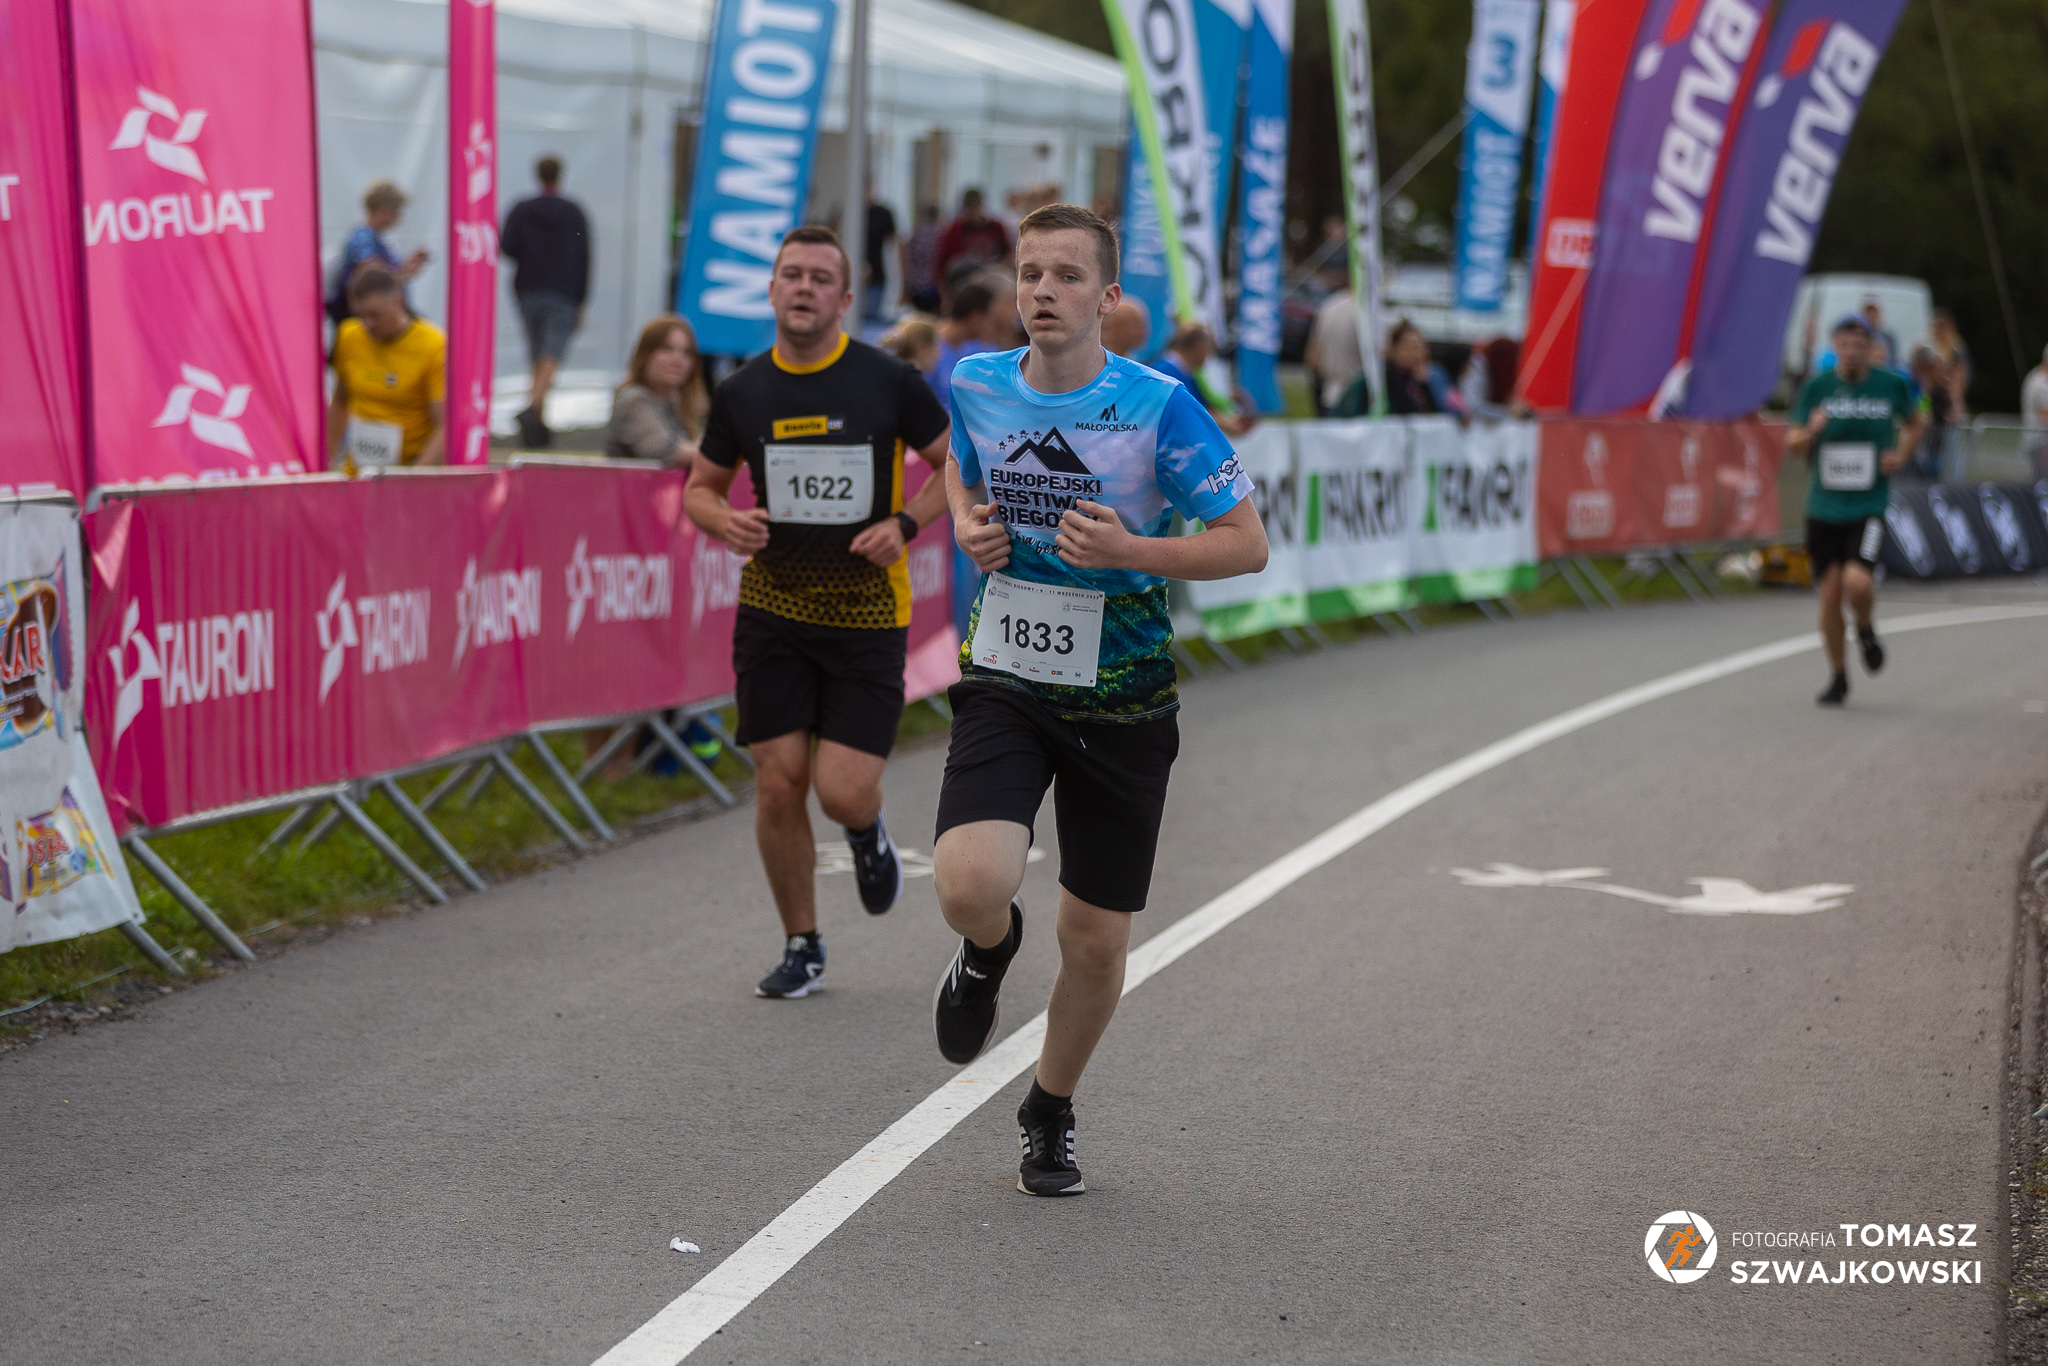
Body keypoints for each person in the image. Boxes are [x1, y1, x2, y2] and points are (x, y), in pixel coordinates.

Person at [931, 203, 1268, 1196]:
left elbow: (1245, 543)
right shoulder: (978, 383)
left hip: (1122, 697)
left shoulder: (1158, 407)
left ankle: (1048, 1107)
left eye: (1067, 275)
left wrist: (1133, 550)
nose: (1043, 290)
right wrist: (967, 524)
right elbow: (957, 466)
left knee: (1094, 939)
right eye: (1030, 273)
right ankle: (986, 952)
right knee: (968, 884)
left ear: (1108, 296)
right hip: (1007, 672)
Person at [684, 225, 952, 999]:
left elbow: (956, 467)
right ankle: (802, 944)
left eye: (820, 278)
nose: (803, 287)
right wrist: (724, 521)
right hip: (773, 610)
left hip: (866, 615)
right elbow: (700, 490)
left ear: (844, 297)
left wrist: (903, 524)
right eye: (791, 274)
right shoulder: (742, 391)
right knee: (779, 783)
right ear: (772, 290)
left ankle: (865, 830)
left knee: (840, 790)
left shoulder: (888, 381)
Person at [1786, 315, 1922, 707]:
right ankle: (1838, 676)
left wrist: (1902, 454)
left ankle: (1864, 627)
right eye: (1844, 345)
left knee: (1857, 582)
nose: (1851, 352)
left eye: (1859, 345)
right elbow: (1792, 443)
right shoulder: (1817, 388)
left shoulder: (1890, 384)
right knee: (1830, 594)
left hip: (1868, 504)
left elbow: (1916, 422)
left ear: (1870, 348)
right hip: (1823, 507)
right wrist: (1810, 431)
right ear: (1835, 347)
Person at [501, 155, 592, 450]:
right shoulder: (573, 212)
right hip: (563, 292)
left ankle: (537, 420)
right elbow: (584, 257)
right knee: (552, 352)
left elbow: (506, 246)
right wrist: (581, 300)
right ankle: (534, 408)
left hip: (529, 290)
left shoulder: (522, 210)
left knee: (538, 353)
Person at [327, 266, 445, 469]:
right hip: (359, 471)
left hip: (408, 469)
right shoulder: (349, 335)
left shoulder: (434, 345)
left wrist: (413, 478)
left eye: (375, 315)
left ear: (399, 302)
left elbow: (445, 426)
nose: (368, 324)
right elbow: (339, 400)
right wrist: (327, 459)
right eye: (361, 315)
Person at [607, 315, 710, 465]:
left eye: (687, 353)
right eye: (667, 349)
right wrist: (721, 450)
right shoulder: (633, 399)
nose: (678, 360)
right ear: (645, 355)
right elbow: (667, 453)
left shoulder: (677, 401)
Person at [327, 181, 429, 325]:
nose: (397, 218)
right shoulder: (363, 238)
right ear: (378, 209)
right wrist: (404, 274)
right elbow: (372, 279)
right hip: (364, 319)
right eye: (393, 212)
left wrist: (406, 269)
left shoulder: (377, 239)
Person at [1150, 323, 1256, 436]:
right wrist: (1227, 425)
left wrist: (1229, 422)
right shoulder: (1165, 372)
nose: (1209, 355)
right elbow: (1186, 411)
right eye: (1209, 348)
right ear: (1198, 347)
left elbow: (1201, 407)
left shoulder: (1186, 373)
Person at [1304, 287, 1362, 417]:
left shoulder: (1329, 305)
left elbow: (1313, 358)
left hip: (1331, 394)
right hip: (1359, 400)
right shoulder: (1365, 310)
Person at [936, 189, 1011, 283]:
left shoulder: (995, 227)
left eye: (976, 207)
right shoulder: (956, 230)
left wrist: (1002, 270)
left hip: (992, 279)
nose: (973, 212)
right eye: (970, 208)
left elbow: (1007, 252)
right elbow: (943, 262)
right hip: (965, 281)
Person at [862, 187, 906, 327]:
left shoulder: (883, 214)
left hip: (877, 273)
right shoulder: (857, 212)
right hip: (859, 274)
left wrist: (901, 282)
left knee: (870, 319)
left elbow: (896, 244)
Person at [905, 204, 944, 314]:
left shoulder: (918, 233)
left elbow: (909, 256)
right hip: (933, 284)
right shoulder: (941, 233)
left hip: (916, 285)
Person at [2022, 343, 2048, 477]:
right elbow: (2046, 418)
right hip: (2041, 444)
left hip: (2036, 443)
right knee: (2042, 482)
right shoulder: (2042, 384)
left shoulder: (2034, 376)